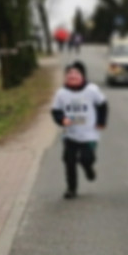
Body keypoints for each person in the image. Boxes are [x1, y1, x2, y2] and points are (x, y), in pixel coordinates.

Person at [51, 61, 108, 199]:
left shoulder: (91, 90)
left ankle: (89, 170)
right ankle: (71, 188)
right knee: (69, 161)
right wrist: (61, 119)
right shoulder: (61, 93)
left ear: (83, 76)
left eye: (76, 73)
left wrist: (101, 121)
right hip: (70, 134)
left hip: (89, 134)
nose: (72, 76)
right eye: (69, 74)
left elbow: (103, 105)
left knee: (86, 158)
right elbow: (55, 111)